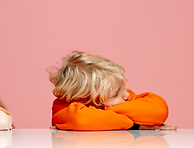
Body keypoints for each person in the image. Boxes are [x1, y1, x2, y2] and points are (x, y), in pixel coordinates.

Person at [49, 51, 177, 131]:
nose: (127, 95)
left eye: (123, 87)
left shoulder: (124, 98)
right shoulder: (63, 108)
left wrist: (105, 113)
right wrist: (135, 125)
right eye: (116, 94)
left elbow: (159, 109)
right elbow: (81, 120)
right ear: (87, 101)